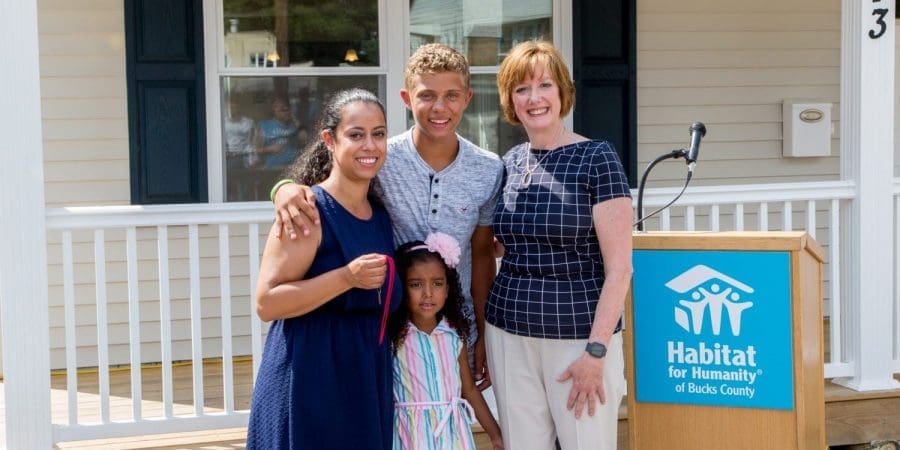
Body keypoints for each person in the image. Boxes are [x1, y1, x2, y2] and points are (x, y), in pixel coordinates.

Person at [272, 43, 504, 388]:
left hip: (454, 328)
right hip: (388, 327)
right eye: (427, 95)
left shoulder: (488, 169)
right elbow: (325, 180)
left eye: (452, 96)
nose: (439, 107)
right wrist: (284, 188)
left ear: (467, 98)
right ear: (406, 99)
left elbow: (483, 255)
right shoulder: (380, 156)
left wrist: (483, 331)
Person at [485, 41, 633, 450]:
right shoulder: (510, 162)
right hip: (508, 333)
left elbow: (620, 269)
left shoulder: (597, 158)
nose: (534, 98)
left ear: (563, 92)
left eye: (544, 85)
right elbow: (507, 243)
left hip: (577, 339)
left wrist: (596, 352)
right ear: (510, 100)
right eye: (522, 89)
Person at [246, 88, 400, 449]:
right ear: (329, 140)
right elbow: (267, 302)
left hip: (362, 380)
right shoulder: (307, 211)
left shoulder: (380, 214)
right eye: (356, 134)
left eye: (378, 134)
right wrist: (346, 278)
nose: (370, 145)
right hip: (310, 380)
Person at [389, 232, 504, 450]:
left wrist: (495, 434)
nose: (428, 293)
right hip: (410, 435)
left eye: (437, 283)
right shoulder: (395, 337)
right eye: (416, 284)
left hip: (453, 434)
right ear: (402, 288)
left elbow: (469, 389)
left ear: (448, 288)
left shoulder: (454, 334)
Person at [255, 96, 310, 169]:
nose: (285, 110)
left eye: (287, 108)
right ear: (274, 109)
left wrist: (295, 120)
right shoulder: (264, 125)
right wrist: (268, 149)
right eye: (281, 108)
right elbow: (255, 150)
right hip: (273, 168)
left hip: (293, 167)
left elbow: (305, 140)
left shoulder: (294, 125)